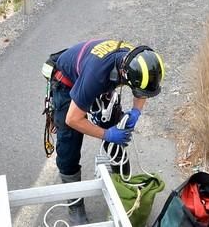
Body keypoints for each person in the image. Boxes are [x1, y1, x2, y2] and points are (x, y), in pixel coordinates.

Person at [50, 39, 165, 224]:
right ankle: (75, 204)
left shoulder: (134, 60)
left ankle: (121, 184)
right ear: (124, 74)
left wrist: (136, 111)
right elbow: (73, 119)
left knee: (113, 127)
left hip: (98, 77)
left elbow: (141, 90)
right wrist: (107, 134)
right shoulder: (97, 76)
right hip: (67, 82)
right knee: (69, 143)